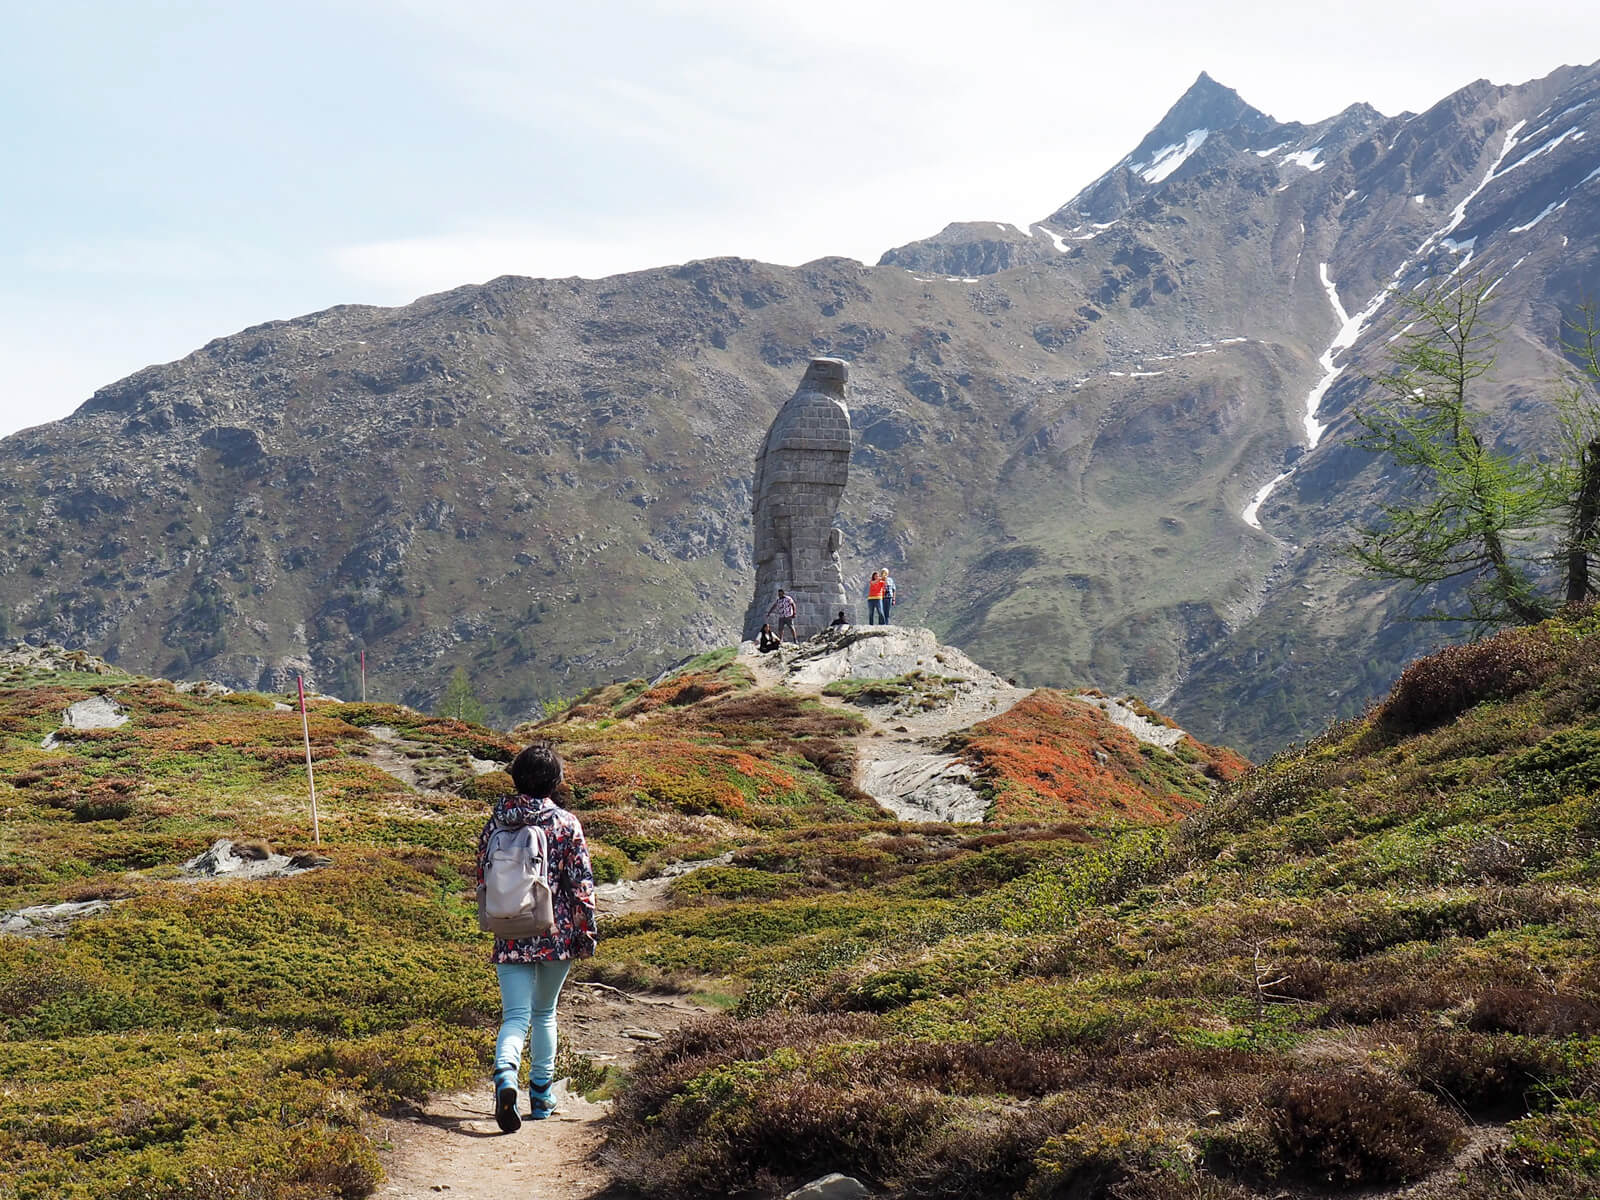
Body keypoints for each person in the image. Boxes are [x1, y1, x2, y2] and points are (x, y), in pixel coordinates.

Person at [476, 741, 597, 1133]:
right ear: (554, 780)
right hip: (555, 931)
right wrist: (585, 931)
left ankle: (506, 1077)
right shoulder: (566, 823)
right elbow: (581, 885)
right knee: (544, 1013)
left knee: (514, 1016)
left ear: (516, 776)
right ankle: (542, 1097)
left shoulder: (495, 823)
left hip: (509, 930)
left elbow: (483, 878)